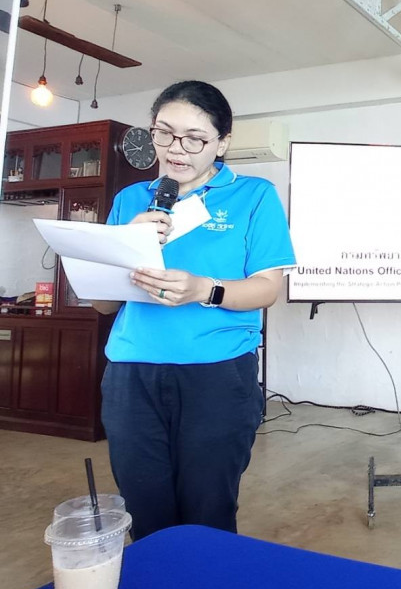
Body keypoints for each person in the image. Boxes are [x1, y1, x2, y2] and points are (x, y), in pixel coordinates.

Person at [92, 80, 296, 540]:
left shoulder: (254, 195)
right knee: (144, 509)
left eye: (195, 139)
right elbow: (103, 304)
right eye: (164, 133)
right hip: (130, 374)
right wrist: (127, 245)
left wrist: (204, 289)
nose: (175, 149)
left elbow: (267, 289)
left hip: (216, 374)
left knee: (207, 511)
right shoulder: (130, 200)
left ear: (222, 143)